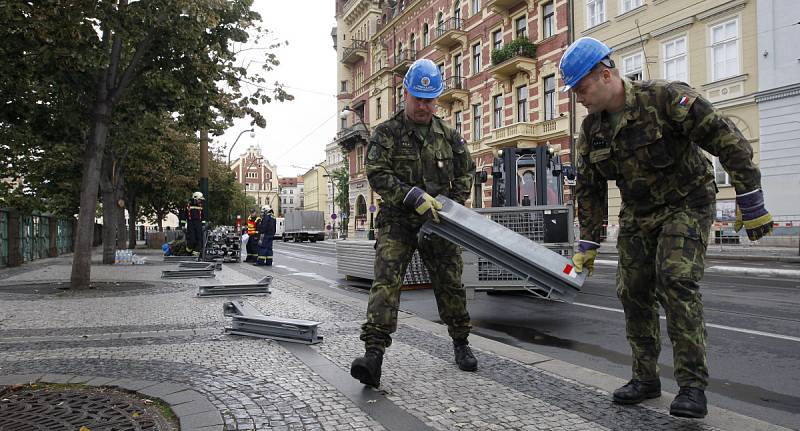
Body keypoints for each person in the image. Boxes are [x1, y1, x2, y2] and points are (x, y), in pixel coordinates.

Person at [560, 37, 773, 419]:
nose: (578, 97)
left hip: (687, 201)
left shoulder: (666, 99)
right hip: (639, 212)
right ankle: (645, 379)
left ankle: (691, 386)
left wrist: (750, 198)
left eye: (581, 87)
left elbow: (728, 140)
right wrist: (588, 240)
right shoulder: (592, 130)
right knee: (632, 289)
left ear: (605, 75)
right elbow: (590, 188)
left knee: (675, 279)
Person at [349, 58, 477, 388]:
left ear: (437, 98)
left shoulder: (449, 136)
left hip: (440, 222)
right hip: (398, 220)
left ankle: (461, 342)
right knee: (386, 283)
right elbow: (376, 172)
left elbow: (466, 172)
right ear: (404, 94)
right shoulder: (386, 133)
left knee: (450, 282)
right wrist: (410, 196)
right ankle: (373, 355)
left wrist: (452, 204)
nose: (423, 106)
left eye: (430, 99)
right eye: (418, 99)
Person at [185, 192, 206, 256]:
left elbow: (202, 216)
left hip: (198, 224)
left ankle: (195, 255)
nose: (200, 201)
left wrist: (203, 225)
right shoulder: (188, 206)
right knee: (192, 240)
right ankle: (188, 251)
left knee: (199, 240)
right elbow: (184, 216)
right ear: (195, 198)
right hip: (191, 223)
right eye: (199, 199)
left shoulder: (200, 206)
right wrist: (183, 225)